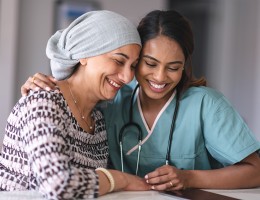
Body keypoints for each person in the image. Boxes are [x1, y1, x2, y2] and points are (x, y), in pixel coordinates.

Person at [21, 10, 260, 191]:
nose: (159, 77)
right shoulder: (113, 99)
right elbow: (76, 95)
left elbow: (256, 171)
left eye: (173, 68)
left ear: (184, 66)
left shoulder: (207, 106)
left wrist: (189, 177)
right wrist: (46, 86)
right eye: (150, 64)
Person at [0, 10, 150, 199]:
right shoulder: (43, 102)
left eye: (133, 66)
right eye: (119, 61)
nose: (128, 77)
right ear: (84, 54)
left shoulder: (98, 118)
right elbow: (57, 185)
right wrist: (121, 179)